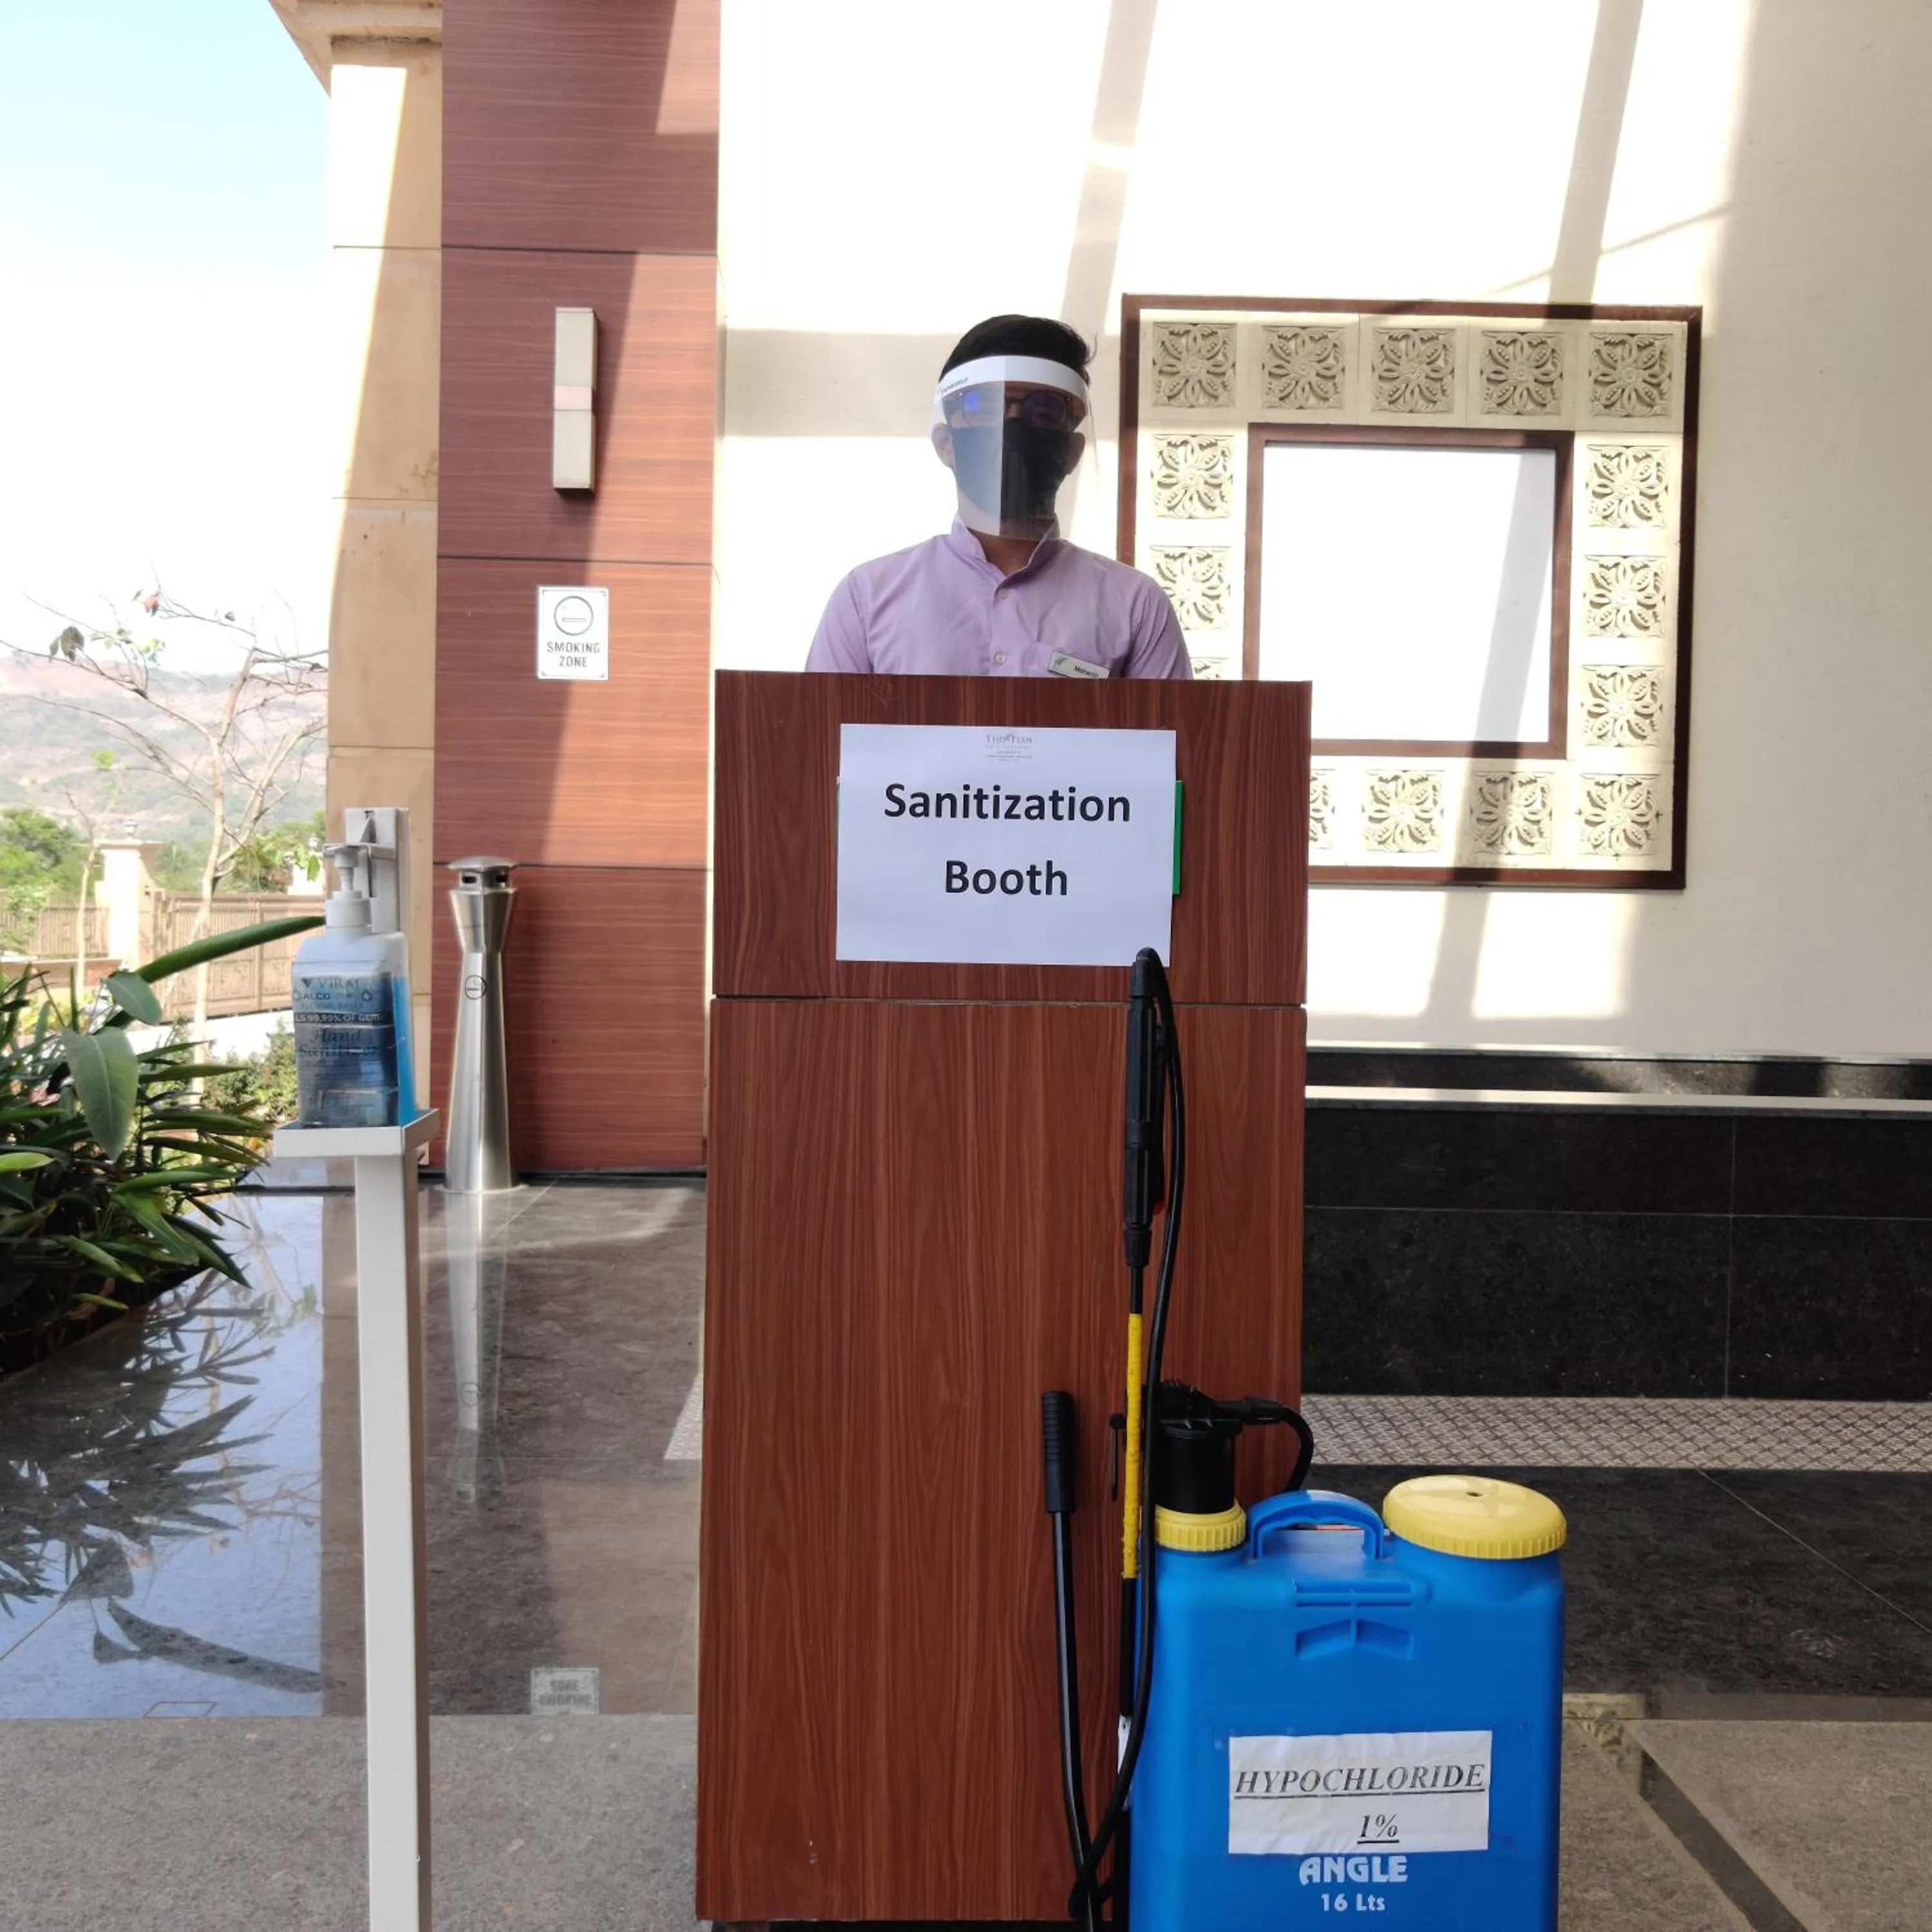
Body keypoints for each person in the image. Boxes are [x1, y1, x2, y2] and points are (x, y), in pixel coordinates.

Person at [805, 316, 1193, 679]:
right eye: (985, 408)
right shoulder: (867, 599)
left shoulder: (1136, 607)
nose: (1011, 429)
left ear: (1073, 451)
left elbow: (1168, 729)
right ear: (946, 444)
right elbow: (824, 727)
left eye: (1043, 412)